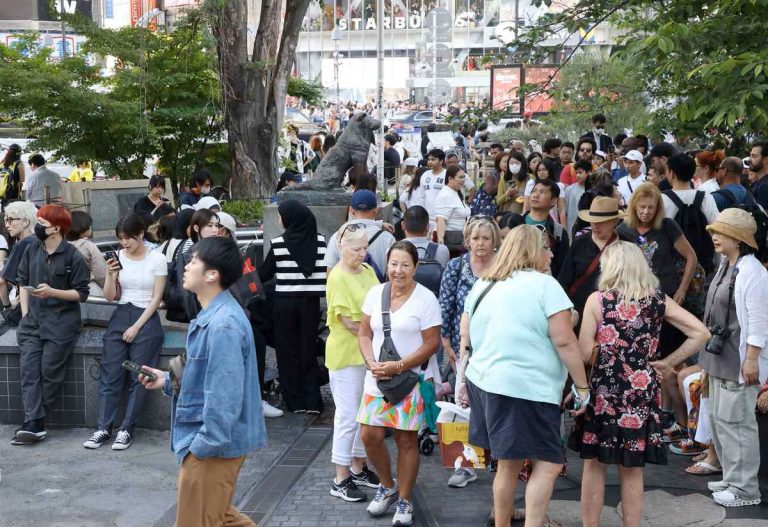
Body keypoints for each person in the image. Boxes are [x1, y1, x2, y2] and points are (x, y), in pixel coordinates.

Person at [455, 225, 590, 527]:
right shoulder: (545, 285)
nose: (551, 253)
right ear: (533, 251)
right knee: (550, 463)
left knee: (508, 464)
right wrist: (582, 386)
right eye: (546, 248)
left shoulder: (485, 282)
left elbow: (465, 332)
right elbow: (565, 341)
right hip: (526, 388)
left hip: (485, 381)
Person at [575, 242, 710, 527]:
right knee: (632, 468)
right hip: (640, 391)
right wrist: (666, 362)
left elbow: (585, 352)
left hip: (604, 391)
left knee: (594, 465)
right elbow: (700, 333)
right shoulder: (657, 299)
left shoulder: (597, 301)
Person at [139, 237, 265, 526]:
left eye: (193, 261)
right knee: (221, 517)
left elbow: (225, 396)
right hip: (212, 444)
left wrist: (202, 448)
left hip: (212, 447)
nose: (186, 266)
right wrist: (167, 380)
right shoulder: (214, 316)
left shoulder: (223, 324)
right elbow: (204, 376)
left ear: (212, 275)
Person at [358, 241, 442, 526]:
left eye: (405, 265)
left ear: (415, 267)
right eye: (394, 264)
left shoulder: (426, 299)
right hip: (378, 378)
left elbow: (433, 343)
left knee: (406, 439)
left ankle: (404, 499)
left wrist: (400, 365)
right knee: (369, 434)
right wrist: (370, 362)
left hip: (410, 379)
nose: (399, 270)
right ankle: (386, 484)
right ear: (387, 264)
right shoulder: (375, 293)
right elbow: (364, 333)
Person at [700, 209, 768, 507]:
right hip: (720, 356)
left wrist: (752, 359)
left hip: (739, 359)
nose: (715, 236)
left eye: (722, 232)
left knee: (738, 423)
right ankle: (732, 477)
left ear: (738, 239)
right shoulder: (727, 265)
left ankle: (745, 489)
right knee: (720, 421)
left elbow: (759, 321)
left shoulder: (754, 272)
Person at [83, 214, 166, 450]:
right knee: (110, 372)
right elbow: (110, 296)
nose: (124, 243)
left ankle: (127, 429)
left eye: (128, 238)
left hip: (146, 320)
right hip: (120, 315)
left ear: (140, 234)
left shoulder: (157, 259)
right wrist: (110, 274)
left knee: (138, 375)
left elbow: (156, 298)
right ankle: (102, 429)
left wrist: (137, 326)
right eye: (120, 239)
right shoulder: (118, 257)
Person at [11, 205, 90, 445]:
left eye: (42, 222)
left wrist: (53, 292)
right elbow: (23, 282)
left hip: (61, 324)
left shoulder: (72, 256)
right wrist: (25, 313)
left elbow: (81, 294)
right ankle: (34, 422)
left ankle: (35, 422)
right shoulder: (31, 248)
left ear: (56, 228)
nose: (37, 226)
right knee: (29, 372)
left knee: (49, 372)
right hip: (32, 323)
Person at [438, 216, 499, 488]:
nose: (480, 244)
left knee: (495, 403)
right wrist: (447, 344)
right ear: (467, 241)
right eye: (475, 238)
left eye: (486, 238)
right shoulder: (456, 266)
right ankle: (465, 465)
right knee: (463, 403)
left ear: (494, 240)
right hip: (463, 347)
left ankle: (498, 460)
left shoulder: (503, 266)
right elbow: (445, 304)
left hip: (496, 346)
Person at [325, 223, 381, 502]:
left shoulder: (369, 271)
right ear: (341, 248)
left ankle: (358, 466)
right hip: (347, 354)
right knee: (347, 416)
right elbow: (348, 321)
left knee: (364, 414)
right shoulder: (336, 276)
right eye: (357, 249)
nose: (363, 253)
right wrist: (374, 338)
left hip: (367, 352)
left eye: (365, 248)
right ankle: (341, 475)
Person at [260, 200, 327, 414]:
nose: (279, 219)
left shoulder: (279, 243)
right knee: (307, 351)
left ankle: (294, 400)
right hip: (311, 305)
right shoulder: (320, 242)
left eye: (281, 215)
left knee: (287, 352)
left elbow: (264, 274)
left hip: (284, 306)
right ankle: (312, 400)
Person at [558, 197, 626, 318]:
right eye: (592, 221)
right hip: (580, 312)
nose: (595, 226)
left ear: (615, 221)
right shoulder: (579, 243)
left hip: (615, 314)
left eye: (601, 222)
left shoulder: (627, 246)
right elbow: (564, 280)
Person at [325, 190, 396, 279]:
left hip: (347, 291)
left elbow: (330, 273)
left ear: (351, 211)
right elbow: (392, 275)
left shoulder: (338, 237)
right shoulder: (388, 239)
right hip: (377, 291)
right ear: (376, 210)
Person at [523, 179, 570, 276]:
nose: (535, 195)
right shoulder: (516, 222)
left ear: (553, 201)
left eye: (542, 192)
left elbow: (562, 269)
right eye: (534, 191)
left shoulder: (559, 233)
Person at [0, 201, 38, 312]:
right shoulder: (39, 241)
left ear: (26, 222)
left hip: (26, 307)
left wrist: (7, 307)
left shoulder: (22, 244)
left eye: (10, 220)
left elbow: (2, 282)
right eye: (5, 220)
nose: (7, 225)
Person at [67, 211, 107, 295]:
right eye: (89, 226)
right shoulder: (88, 246)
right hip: (87, 289)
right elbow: (100, 274)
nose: (90, 227)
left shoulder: (60, 245)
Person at [435, 166, 471, 254]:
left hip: (462, 237)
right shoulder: (445, 195)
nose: (463, 180)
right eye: (460, 177)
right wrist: (441, 241)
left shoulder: (457, 192)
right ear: (450, 179)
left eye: (464, 177)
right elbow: (441, 219)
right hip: (452, 241)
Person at [524, 161, 567, 226]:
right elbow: (526, 207)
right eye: (539, 170)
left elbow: (562, 211)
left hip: (552, 221)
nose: (541, 172)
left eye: (544, 170)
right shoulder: (531, 184)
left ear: (550, 170)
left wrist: (564, 230)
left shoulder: (558, 186)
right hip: (532, 219)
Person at [564, 159, 592, 234]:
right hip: (572, 227)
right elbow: (565, 210)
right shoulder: (569, 189)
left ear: (588, 172)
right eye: (576, 173)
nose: (578, 175)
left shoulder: (593, 190)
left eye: (580, 172)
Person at [749, 140, 768, 210]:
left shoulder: (765, 186)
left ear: (765, 160)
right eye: (750, 156)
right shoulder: (759, 183)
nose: (749, 160)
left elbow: (762, 217)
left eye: (754, 156)